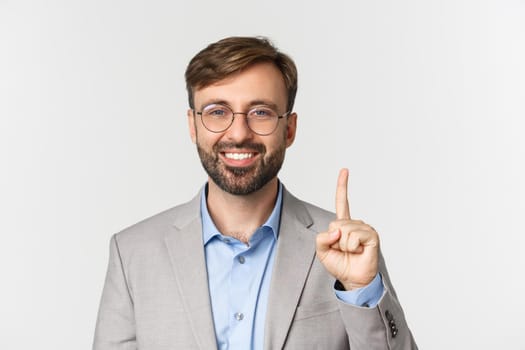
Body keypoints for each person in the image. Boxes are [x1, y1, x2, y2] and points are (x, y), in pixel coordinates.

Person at [93, 36, 417, 350]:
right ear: (193, 125)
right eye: (217, 111)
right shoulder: (132, 253)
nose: (238, 133)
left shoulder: (345, 247)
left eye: (260, 112)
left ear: (288, 129)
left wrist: (362, 291)